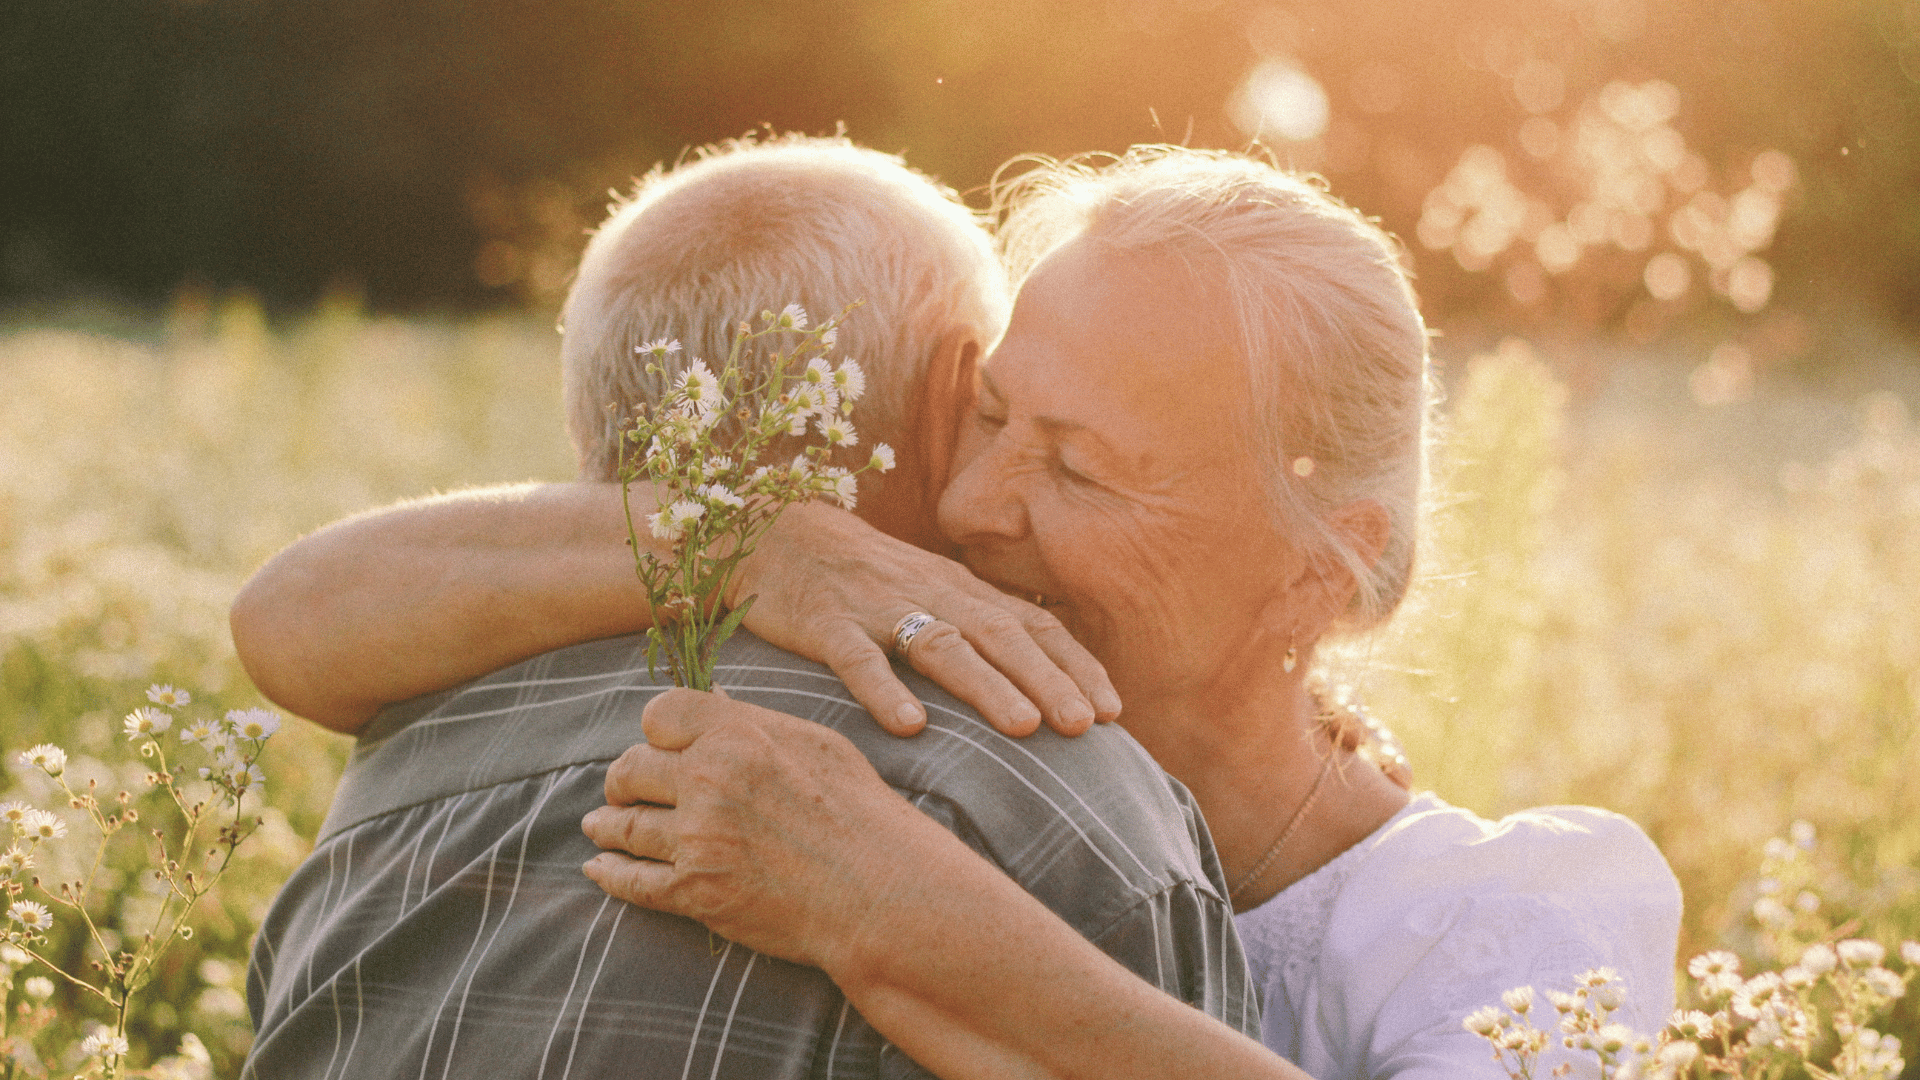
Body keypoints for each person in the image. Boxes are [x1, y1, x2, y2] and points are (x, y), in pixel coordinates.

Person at [238, 145, 1682, 1080]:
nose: (980, 503)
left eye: (1080, 466)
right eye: (989, 415)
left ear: (1330, 565)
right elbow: (291, 617)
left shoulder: (1518, 921)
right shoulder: (898, 737)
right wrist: (750, 540)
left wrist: (892, 911)